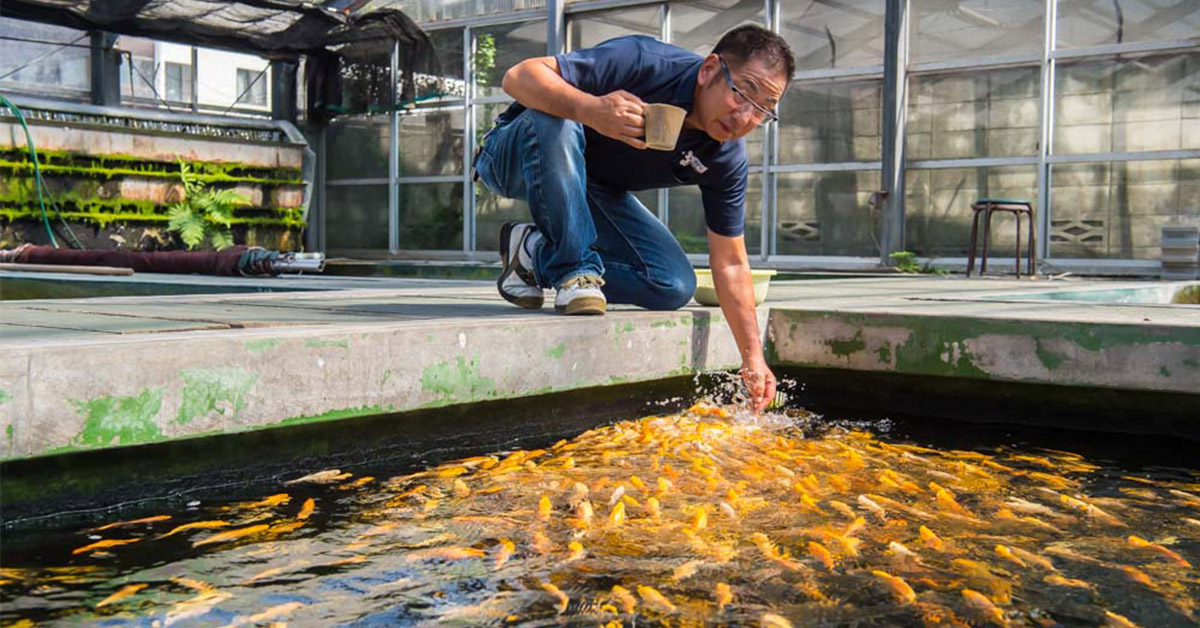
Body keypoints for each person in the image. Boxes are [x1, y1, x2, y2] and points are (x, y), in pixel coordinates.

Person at [474, 25, 791, 412]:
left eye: (763, 109)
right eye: (742, 92)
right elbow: (519, 76)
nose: (745, 115)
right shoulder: (646, 63)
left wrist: (753, 358)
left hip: (590, 185)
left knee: (671, 284)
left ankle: (534, 253)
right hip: (513, 152)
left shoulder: (724, 157)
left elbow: (730, 262)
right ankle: (572, 268)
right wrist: (591, 110)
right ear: (709, 70)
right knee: (557, 120)